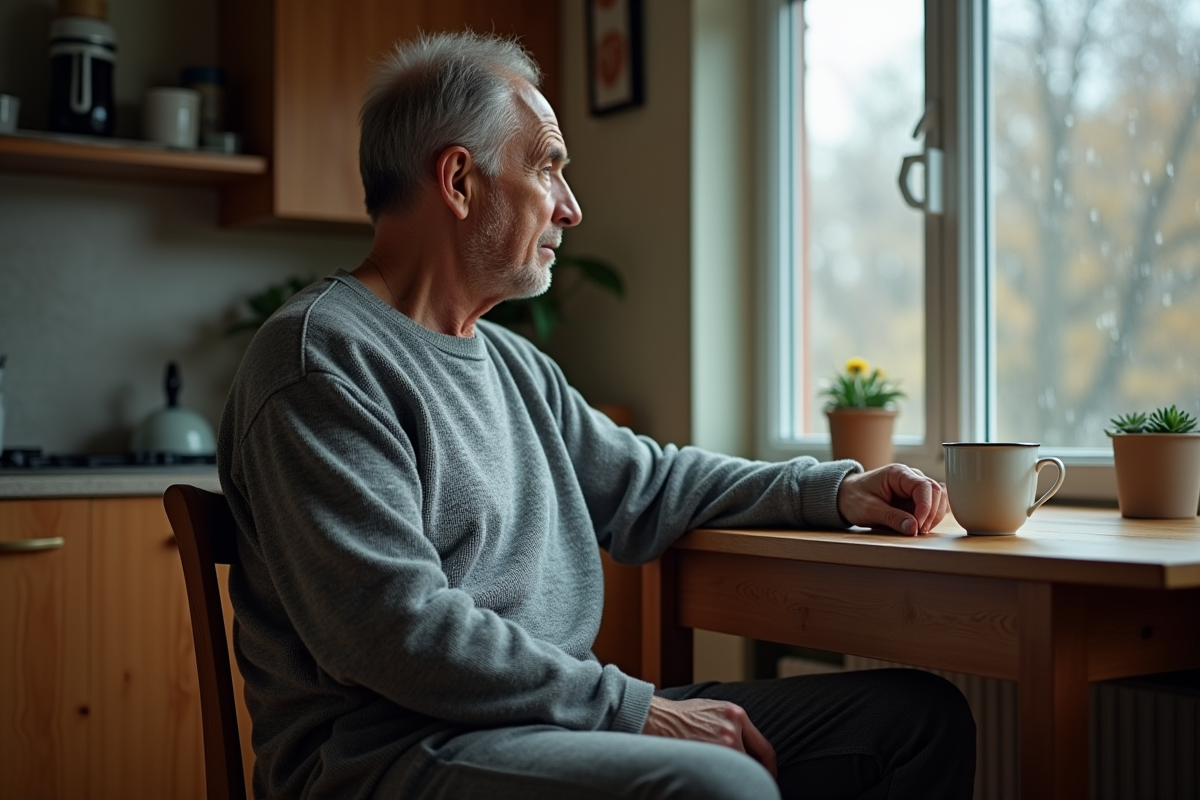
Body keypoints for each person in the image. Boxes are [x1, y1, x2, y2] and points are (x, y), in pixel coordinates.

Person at [217, 31, 975, 800]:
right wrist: (635, 711)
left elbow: (650, 482)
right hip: (392, 753)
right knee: (717, 786)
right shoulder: (321, 361)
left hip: (544, 724)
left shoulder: (515, 367)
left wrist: (834, 492)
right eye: (548, 166)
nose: (571, 208)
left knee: (916, 720)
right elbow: (395, 631)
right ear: (458, 179)